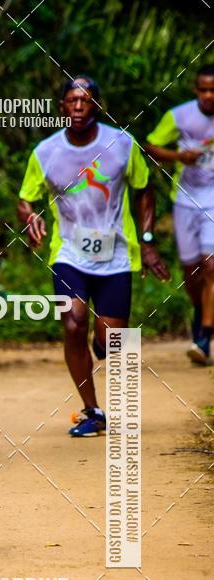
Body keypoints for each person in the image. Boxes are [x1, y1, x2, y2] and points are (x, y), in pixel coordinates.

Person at [18, 75, 169, 436]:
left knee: (111, 341)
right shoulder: (46, 152)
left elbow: (145, 189)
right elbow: (25, 199)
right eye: (73, 101)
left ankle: (102, 346)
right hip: (69, 252)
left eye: (87, 101)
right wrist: (30, 217)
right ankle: (92, 411)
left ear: (98, 107)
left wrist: (147, 242)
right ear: (62, 108)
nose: (79, 107)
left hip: (116, 254)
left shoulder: (121, 144)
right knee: (73, 321)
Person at [146, 64, 214, 364]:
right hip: (185, 200)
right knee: (192, 271)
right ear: (195, 89)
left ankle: (203, 337)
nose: (209, 96)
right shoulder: (180, 116)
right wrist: (179, 156)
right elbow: (151, 146)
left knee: (211, 265)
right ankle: (201, 310)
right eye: (203, 90)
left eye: (213, 90)